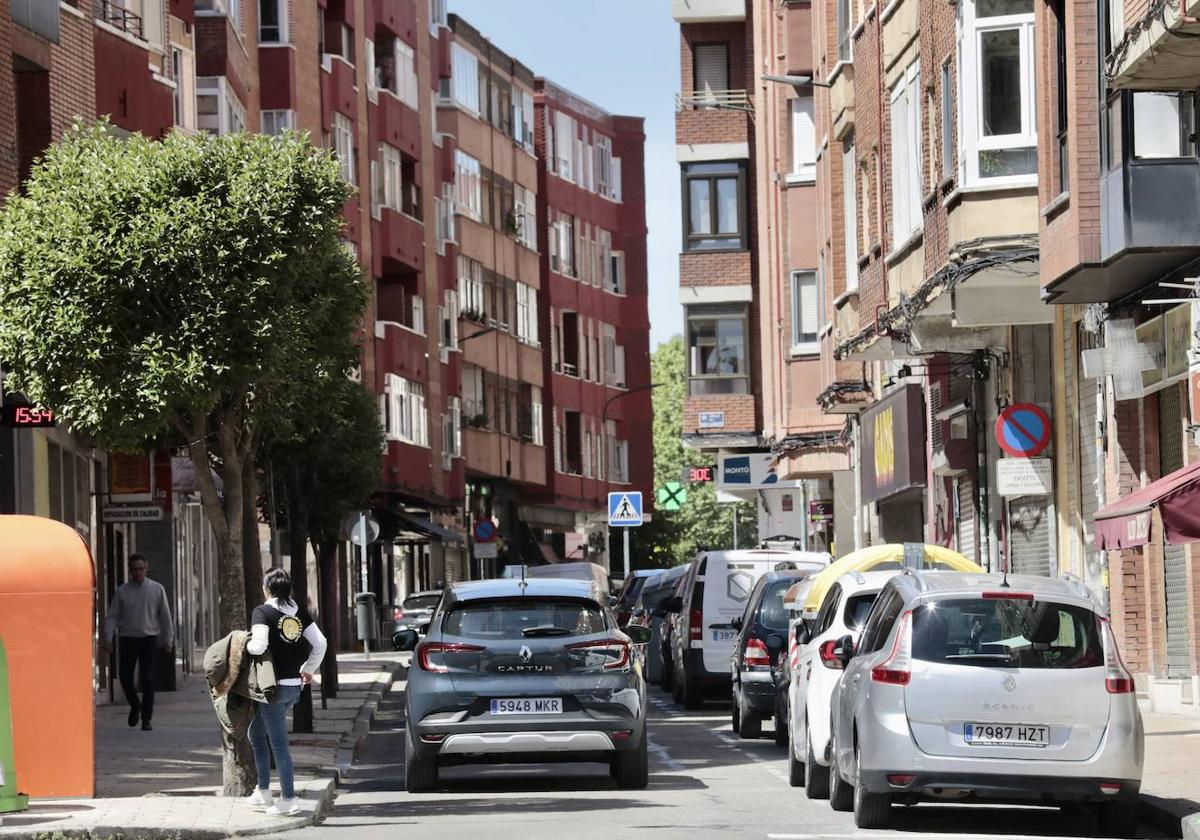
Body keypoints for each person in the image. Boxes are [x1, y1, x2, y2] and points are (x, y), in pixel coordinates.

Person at [245, 568, 327, 816]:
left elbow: (258, 646)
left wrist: (244, 641)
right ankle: (262, 791)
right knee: (256, 734)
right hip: (294, 688)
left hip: (273, 689)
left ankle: (289, 799)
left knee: (278, 745)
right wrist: (308, 669)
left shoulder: (262, 611)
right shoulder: (298, 611)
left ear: (266, 588)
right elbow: (320, 642)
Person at [102, 554, 174, 731]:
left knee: (148, 679)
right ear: (130, 570)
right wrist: (108, 637)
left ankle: (146, 718)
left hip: (149, 639)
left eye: (141, 569)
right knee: (125, 677)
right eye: (134, 569)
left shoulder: (157, 589)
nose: (138, 572)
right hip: (127, 639)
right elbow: (112, 616)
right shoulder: (123, 591)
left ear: (146, 568)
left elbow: (165, 616)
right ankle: (135, 704)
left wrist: (169, 639)